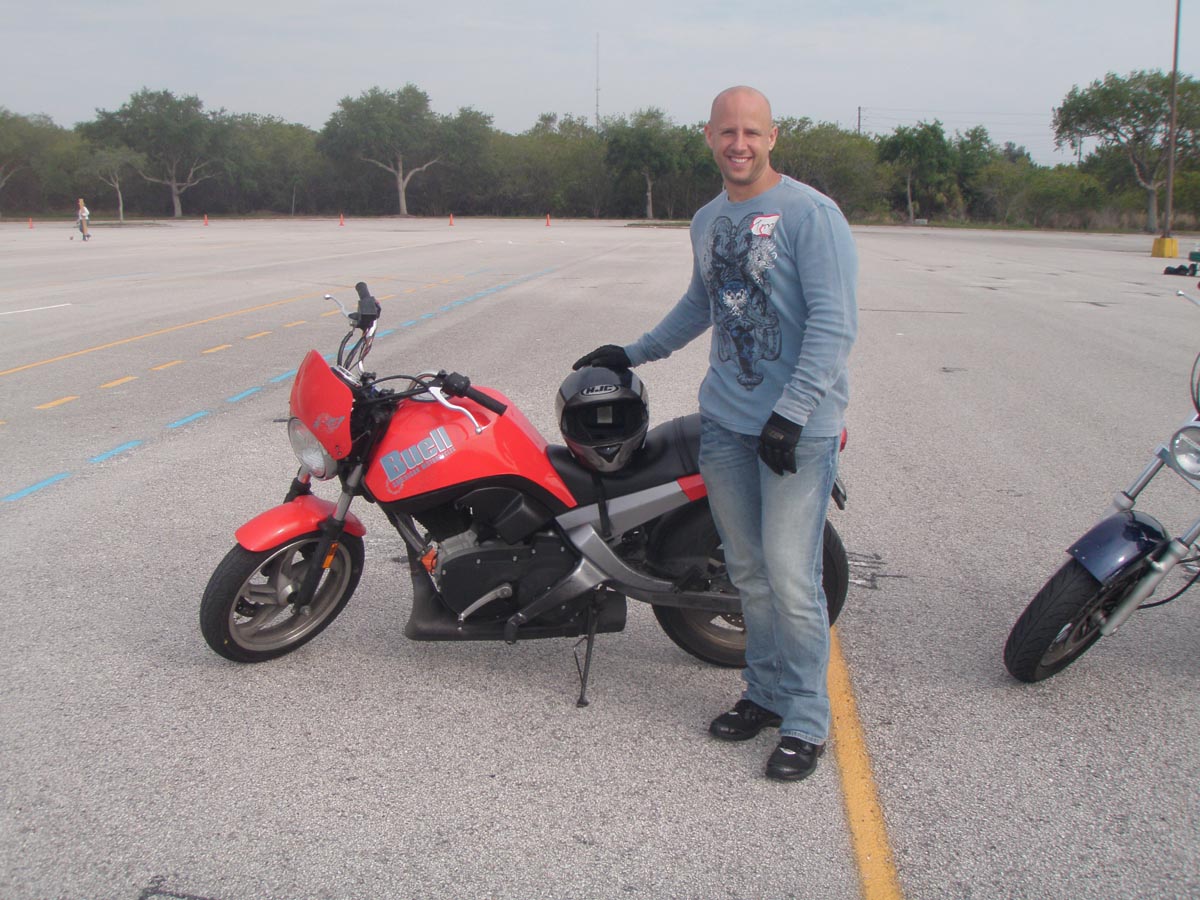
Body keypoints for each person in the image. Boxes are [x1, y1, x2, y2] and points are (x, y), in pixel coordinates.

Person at [574, 86, 857, 781]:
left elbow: (834, 324)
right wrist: (632, 353)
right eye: (727, 131)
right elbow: (701, 303)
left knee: (792, 579)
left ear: (773, 137)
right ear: (708, 136)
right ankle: (764, 694)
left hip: (797, 431)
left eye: (752, 132)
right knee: (748, 573)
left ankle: (805, 720)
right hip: (727, 426)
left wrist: (793, 411)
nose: (739, 143)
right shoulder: (707, 219)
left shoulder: (812, 214)